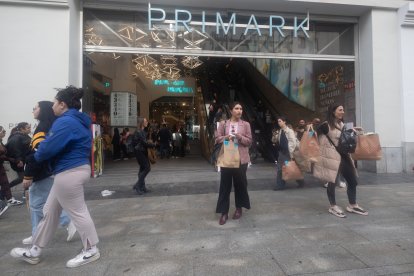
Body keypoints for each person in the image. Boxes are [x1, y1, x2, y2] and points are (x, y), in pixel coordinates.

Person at [10, 86, 100, 268]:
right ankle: (35, 250)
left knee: (78, 212)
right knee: (49, 213)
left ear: (62, 104)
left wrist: (34, 156)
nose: (52, 107)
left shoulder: (65, 122)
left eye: (55, 103)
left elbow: (47, 148)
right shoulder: (77, 120)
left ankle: (91, 250)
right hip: (73, 170)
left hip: (69, 172)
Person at [21, 101, 76, 245]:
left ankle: (67, 221)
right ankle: (36, 233)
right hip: (50, 171)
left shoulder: (41, 128)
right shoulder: (52, 125)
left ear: (43, 110)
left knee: (38, 205)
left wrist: (28, 175)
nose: (33, 110)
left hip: (42, 173)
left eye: (36, 107)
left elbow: (38, 155)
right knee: (41, 204)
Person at [313, 104, 368, 218]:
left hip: (344, 156)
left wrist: (355, 131)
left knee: (352, 180)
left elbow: (348, 138)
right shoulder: (325, 125)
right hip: (332, 157)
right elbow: (313, 136)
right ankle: (333, 206)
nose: (343, 112)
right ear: (333, 111)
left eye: (343, 110)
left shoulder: (343, 124)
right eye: (340, 110)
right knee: (332, 181)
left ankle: (352, 205)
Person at [215, 102, 252, 225]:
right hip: (227, 158)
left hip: (241, 159)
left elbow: (249, 142)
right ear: (231, 111)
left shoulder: (246, 124)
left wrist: (240, 137)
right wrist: (226, 137)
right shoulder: (223, 124)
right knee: (225, 186)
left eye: (241, 108)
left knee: (240, 184)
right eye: (236, 108)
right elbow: (217, 138)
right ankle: (223, 212)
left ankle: (239, 208)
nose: (239, 111)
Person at [273, 116, 304, 190]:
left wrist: (290, 154)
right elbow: (277, 140)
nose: (279, 123)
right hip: (282, 153)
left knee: (289, 167)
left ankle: (300, 181)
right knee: (282, 168)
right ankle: (280, 185)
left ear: (284, 122)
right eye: (278, 121)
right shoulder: (280, 131)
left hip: (287, 153)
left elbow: (292, 142)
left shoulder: (289, 131)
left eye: (280, 121)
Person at [0, 126, 23, 206]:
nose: (5, 133)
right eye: (3, 131)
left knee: (4, 183)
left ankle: (9, 199)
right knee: (4, 183)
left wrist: (14, 160)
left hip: (1, 166)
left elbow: (4, 154)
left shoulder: (1, 142)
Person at [132, 118, 154, 195]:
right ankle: (138, 185)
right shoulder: (139, 132)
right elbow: (144, 143)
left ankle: (142, 187)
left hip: (142, 151)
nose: (147, 122)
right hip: (139, 152)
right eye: (145, 121)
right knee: (147, 168)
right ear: (141, 122)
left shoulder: (142, 131)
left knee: (142, 169)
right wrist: (153, 145)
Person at [6, 122, 31, 187]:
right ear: (21, 129)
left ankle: (26, 194)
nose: (30, 129)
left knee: (27, 178)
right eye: (28, 128)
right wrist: (19, 160)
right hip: (20, 162)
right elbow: (15, 149)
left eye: (30, 127)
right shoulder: (16, 137)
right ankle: (5, 189)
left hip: (25, 161)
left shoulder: (23, 136)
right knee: (22, 178)